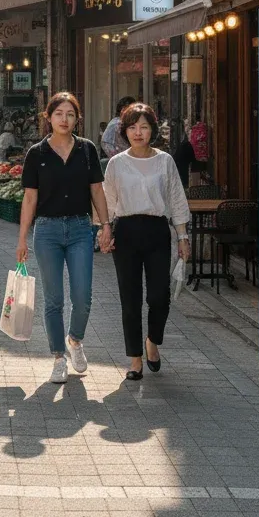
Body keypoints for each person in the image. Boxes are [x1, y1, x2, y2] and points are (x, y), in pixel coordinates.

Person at [16, 92, 111, 384]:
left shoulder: (87, 149)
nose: (64, 119)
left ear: (76, 118)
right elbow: (30, 198)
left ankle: (75, 340)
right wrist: (22, 239)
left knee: (82, 297)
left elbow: (96, 190)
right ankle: (58, 357)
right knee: (54, 299)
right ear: (49, 117)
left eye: (70, 114)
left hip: (81, 229)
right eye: (59, 114)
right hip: (47, 231)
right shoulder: (37, 153)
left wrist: (106, 225)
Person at [101, 102, 191, 381]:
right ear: (124, 131)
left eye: (144, 127)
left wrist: (183, 236)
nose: (138, 133)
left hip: (156, 231)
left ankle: (153, 340)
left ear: (153, 129)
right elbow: (108, 202)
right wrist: (104, 232)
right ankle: (135, 358)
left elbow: (176, 199)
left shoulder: (165, 161)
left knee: (159, 296)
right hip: (126, 232)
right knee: (130, 299)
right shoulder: (116, 163)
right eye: (132, 127)